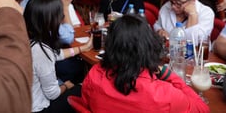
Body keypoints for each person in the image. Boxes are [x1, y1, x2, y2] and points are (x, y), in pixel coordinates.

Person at [81, 14, 209, 112]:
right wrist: (168, 74)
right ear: (148, 45)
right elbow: (202, 109)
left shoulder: (94, 75)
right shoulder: (164, 94)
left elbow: (87, 103)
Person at [25, 0, 91, 113]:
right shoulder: (41, 51)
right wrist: (66, 85)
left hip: (21, 103)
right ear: (50, 21)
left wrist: (83, 48)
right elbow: (52, 94)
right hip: (37, 109)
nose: (62, 18)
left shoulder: (27, 39)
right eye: (60, 16)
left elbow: (55, 54)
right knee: (84, 88)